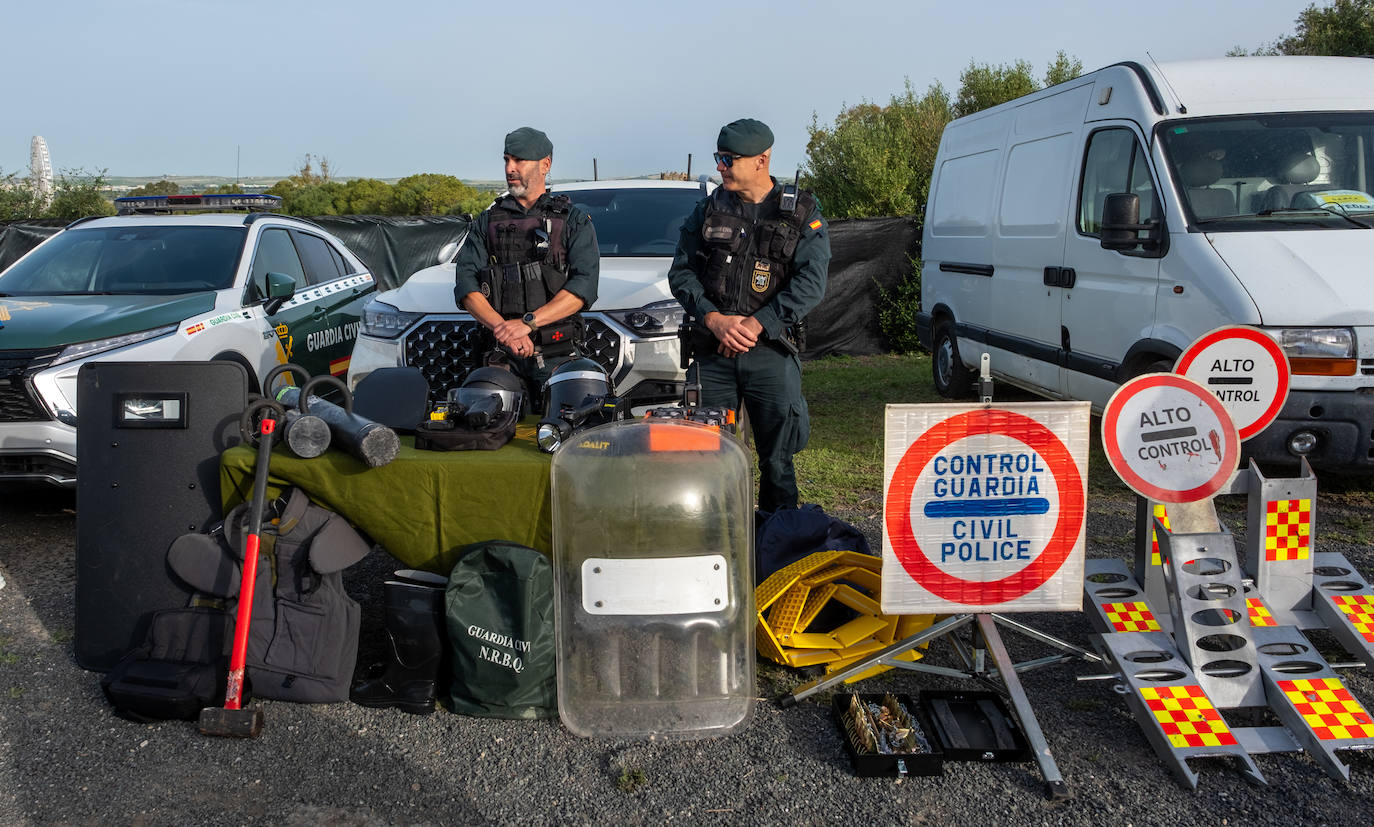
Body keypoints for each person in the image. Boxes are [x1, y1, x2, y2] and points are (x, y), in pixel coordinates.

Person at [667, 118, 830, 512]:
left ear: (762, 159)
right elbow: (681, 272)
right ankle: (717, 543)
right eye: (718, 158)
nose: (721, 166)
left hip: (770, 352)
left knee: (778, 462)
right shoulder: (709, 210)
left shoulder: (800, 212)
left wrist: (759, 324)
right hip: (714, 352)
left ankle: (777, 545)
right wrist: (713, 319)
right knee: (710, 458)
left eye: (729, 159)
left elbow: (811, 282)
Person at [452, 127, 599, 407]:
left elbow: (583, 289)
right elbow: (466, 286)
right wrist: (504, 329)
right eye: (507, 159)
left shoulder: (573, 221)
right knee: (486, 430)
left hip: (557, 353)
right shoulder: (487, 221)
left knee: (564, 427)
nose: (510, 168)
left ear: (545, 164)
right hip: (501, 353)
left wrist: (526, 324)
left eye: (519, 160)